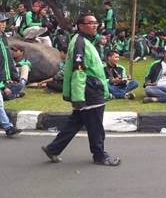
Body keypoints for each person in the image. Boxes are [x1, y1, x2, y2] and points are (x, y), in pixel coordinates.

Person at [42, 13, 120, 166]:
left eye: (96, 22)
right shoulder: (80, 43)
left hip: (89, 88)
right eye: (90, 23)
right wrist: (78, 97)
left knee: (76, 122)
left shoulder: (84, 41)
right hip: (89, 91)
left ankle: (53, 149)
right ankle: (99, 155)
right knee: (95, 125)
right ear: (81, 26)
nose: (94, 25)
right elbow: (79, 71)